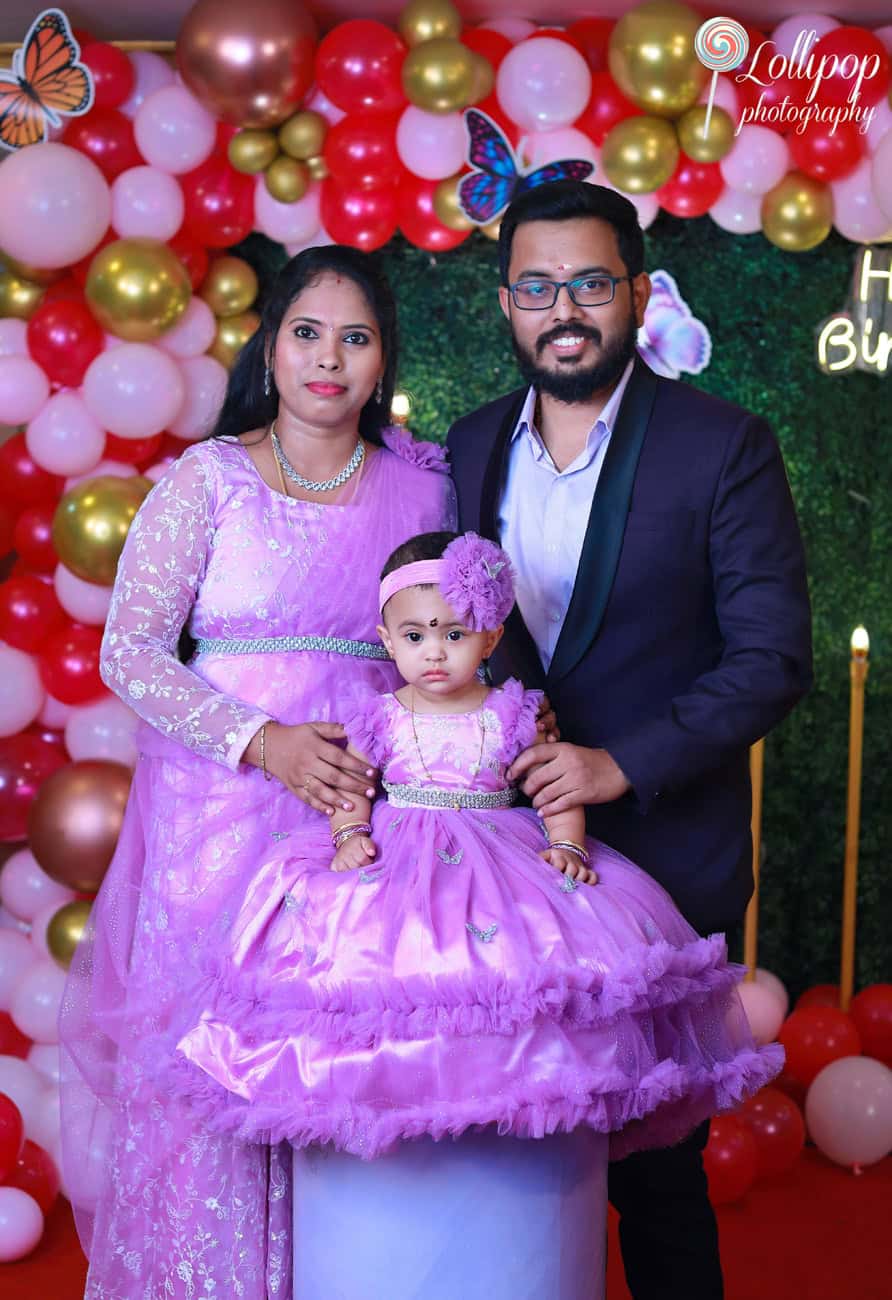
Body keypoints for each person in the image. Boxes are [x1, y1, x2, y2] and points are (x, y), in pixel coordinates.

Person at [171, 529, 781, 1300]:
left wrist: (564, 843)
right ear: (386, 638)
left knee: (521, 982)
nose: (435, 654)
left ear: (490, 635)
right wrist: (351, 834)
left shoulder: (515, 712)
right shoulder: (381, 716)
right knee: (385, 980)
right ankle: (402, 1147)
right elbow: (355, 789)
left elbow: (550, 786)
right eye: (416, 636)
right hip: (401, 856)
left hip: (503, 855)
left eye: (455, 635)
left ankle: (507, 1161)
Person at [58, 245, 456, 1299]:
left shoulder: (422, 486)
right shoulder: (207, 481)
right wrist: (261, 739)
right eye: (308, 333)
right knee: (206, 1077)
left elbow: (452, 638)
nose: (330, 358)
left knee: (339, 1062)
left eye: (356, 337)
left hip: (362, 820)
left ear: (382, 362)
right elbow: (129, 650)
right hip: (218, 818)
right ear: (270, 348)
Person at [446, 180, 813, 1300]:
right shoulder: (465, 447)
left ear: (636, 295)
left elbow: (770, 656)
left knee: (655, 1173)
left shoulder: (722, 445)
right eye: (538, 286)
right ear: (507, 303)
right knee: (499, 1153)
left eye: (591, 283)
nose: (565, 308)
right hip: (496, 867)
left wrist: (619, 762)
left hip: (663, 857)